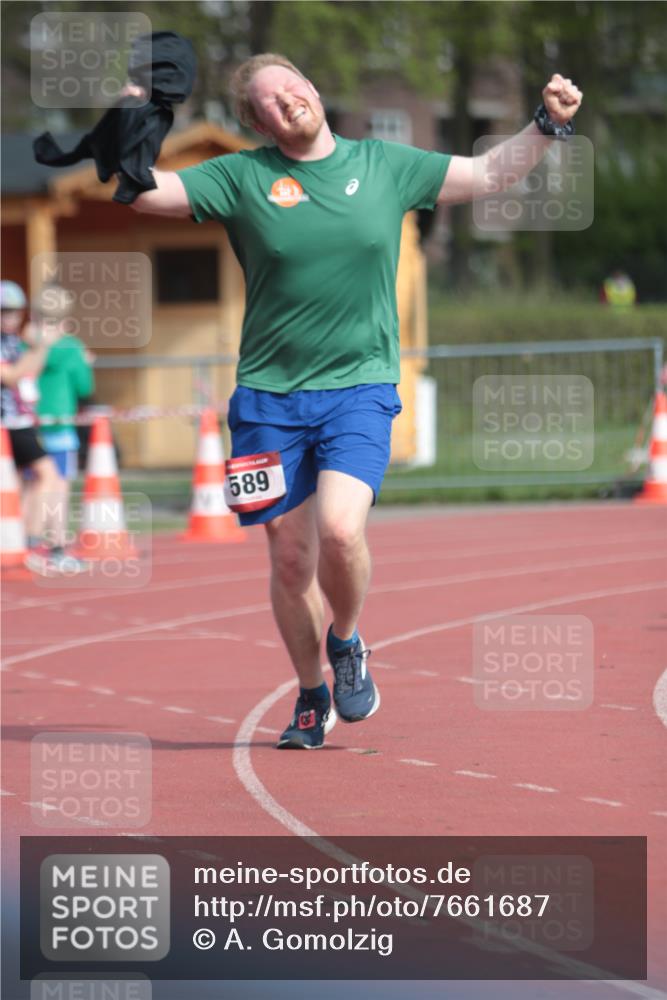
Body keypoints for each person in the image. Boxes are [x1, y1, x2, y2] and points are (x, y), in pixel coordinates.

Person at [127, 56, 582, 749]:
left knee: (340, 531)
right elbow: (142, 194)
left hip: (359, 388)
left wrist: (547, 122)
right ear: (258, 124)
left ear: (313, 88)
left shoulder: (384, 165)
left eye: (292, 87)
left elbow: (489, 173)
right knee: (289, 559)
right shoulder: (241, 176)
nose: (287, 101)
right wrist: (131, 115)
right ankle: (311, 693)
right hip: (268, 399)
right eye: (269, 102)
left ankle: (345, 640)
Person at [0, 279, 71, 573]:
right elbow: (11, 376)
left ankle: (24, 544)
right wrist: (38, 345)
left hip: (20, 421)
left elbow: (32, 371)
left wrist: (41, 346)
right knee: (47, 475)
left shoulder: (14, 341)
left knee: (19, 484)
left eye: (15, 312)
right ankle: (31, 543)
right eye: (5, 312)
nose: (11, 318)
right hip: (8, 424)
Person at [30, 284, 95, 569]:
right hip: (59, 426)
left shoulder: (25, 344)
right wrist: (85, 364)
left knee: (31, 486)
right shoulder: (71, 347)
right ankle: (55, 548)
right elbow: (84, 387)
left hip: (28, 426)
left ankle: (26, 545)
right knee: (58, 488)